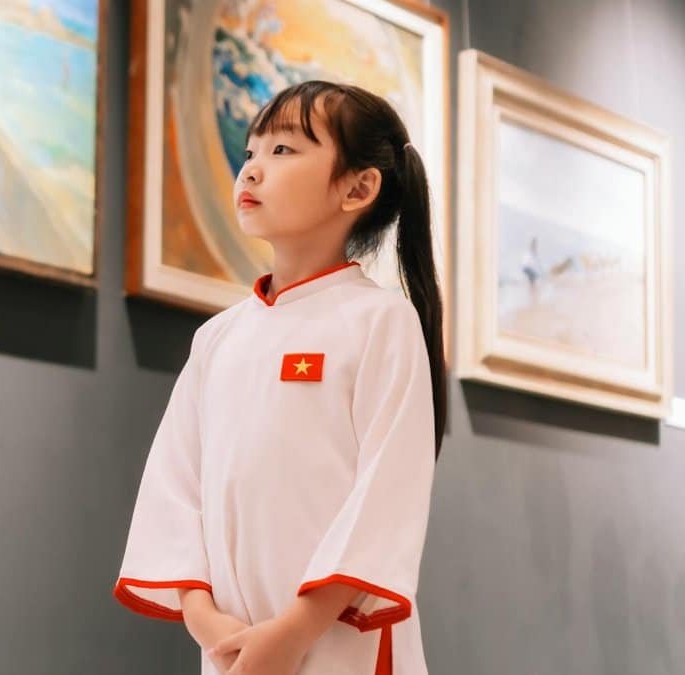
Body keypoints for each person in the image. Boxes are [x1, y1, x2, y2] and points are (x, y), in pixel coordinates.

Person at [112, 81, 447, 675]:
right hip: (232, 650)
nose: (252, 169)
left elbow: (386, 497)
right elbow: (174, 487)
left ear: (358, 188)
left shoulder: (381, 322)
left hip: (340, 646)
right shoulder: (216, 338)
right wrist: (204, 620)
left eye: (283, 150)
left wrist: (295, 632)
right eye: (250, 152)